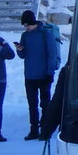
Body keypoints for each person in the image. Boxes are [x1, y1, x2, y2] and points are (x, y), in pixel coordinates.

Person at [15, 10, 56, 140]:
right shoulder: (25, 35)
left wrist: (50, 73)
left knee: (45, 104)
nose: (25, 27)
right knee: (32, 105)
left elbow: (52, 54)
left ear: (32, 23)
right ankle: (33, 130)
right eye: (24, 25)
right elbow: (23, 55)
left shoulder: (46, 34)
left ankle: (45, 130)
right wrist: (20, 50)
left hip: (44, 75)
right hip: (29, 76)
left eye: (27, 25)